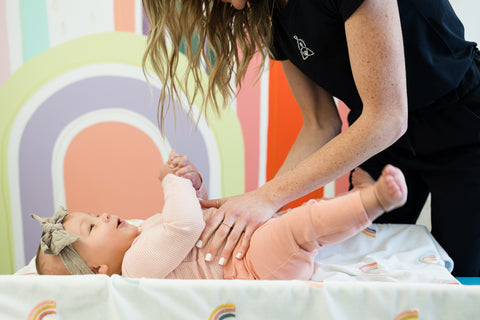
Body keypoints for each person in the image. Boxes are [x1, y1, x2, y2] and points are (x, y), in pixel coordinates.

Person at [141, 0, 480, 276]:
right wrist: (261, 206)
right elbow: (320, 124)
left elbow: (389, 117)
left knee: (464, 276)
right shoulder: (271, 16)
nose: (227, 5)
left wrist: (268, 197)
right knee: (360, 271)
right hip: (382, 145)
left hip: (464, 128)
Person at [32, 151, 407, 279]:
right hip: (253, 266)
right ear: (99, 269)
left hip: (248, 246)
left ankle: (358, 204)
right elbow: (187, 225)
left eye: (94, 214)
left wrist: (192, 185)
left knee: (307, 222)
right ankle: (371, 201)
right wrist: (169, 181)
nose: (105, 214)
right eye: (93, 225)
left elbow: (194, 218)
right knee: (303, 224)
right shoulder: (135, 267)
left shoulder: (143, 232)